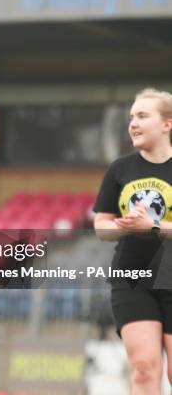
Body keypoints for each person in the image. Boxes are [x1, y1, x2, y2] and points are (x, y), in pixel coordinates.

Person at [93, 88, 172, 394]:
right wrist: (125, 226)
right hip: (131, 278)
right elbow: (101, 227)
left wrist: (151, 225)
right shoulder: (120, 169)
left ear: (167, 123)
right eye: (131, 118)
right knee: (143, 368)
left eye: (142, 116)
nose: (133, 124)